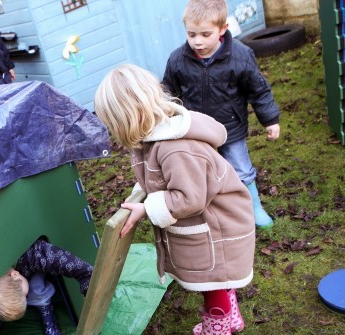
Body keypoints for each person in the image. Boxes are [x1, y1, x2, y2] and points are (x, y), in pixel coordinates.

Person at [94, 64, 255, 335]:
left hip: (218, 226)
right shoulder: (154, 139)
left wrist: (146, 208)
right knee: (218, 279)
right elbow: (161, 178)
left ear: (127, 118)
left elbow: (189, 198)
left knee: (212, 283)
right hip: (211, 221)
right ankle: (232, 319)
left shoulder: (174, 149)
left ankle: (218, 328)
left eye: (113, 124)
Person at [162, 0, 280, 229]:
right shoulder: (178, 59)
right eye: (191, 34)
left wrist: (270, 120)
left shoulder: (241, 56)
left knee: (241, 168)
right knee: (199, 170)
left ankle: (253, 206)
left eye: (205, 34)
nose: (197, 41)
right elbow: (168, 92)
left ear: (223, 29)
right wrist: (166, 116)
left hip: (230, 127)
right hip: (195, 129)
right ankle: (210, 210)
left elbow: (258, 89)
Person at [0, 238, 93, 335]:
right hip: (14, 277)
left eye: (24, 295)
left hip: (33, 270)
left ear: (15, 274)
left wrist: (86, 278)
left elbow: (60, 259)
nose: (26, 297)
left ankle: (48, 315)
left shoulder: (33, 255)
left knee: (35, 289)